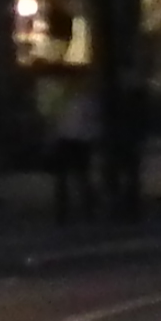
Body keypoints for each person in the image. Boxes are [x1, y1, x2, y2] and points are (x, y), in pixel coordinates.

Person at [38, 63, 99, 223]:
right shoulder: (79, 99)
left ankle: (71, 211)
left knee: (73, 177)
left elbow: (53, 119)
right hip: (72, 139)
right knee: (74, 177)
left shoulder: (73, 99)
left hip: (71, 139)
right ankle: (74, 210)